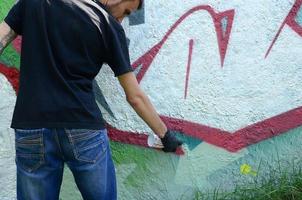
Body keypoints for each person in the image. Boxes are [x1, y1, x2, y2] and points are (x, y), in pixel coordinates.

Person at [0, 0, 183, 199]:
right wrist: (165, 136)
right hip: (83, 129)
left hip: (32, 127)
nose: (121, 20)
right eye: (126, 12)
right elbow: (135, 96)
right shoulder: (107, 24)